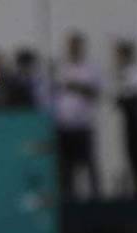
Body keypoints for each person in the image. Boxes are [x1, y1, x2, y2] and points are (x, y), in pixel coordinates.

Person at [53, 31, 102, 200]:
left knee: (88, 165)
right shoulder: (61, 68)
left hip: (82, 124)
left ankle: (95, 198)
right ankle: (68, 198)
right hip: (64, 124)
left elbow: (95, 92)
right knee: (66, 168)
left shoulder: (90, 68)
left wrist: (76, 86)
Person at [114, 40, 137, 197]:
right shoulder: (121, 74)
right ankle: (136, 186)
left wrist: (125, 99)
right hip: (128, 121)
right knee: (130, 155)